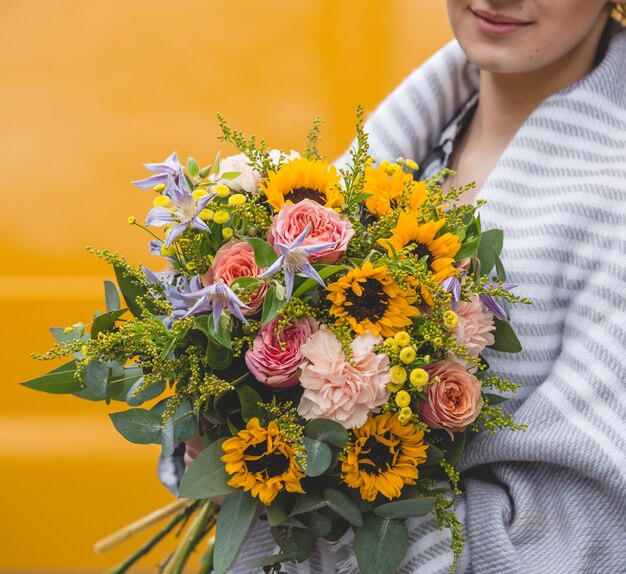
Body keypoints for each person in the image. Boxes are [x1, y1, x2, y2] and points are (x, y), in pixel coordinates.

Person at [161, 2, 626, 572]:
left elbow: (578, 533)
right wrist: (220, 431)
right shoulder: (419, 128)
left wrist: (306, 501)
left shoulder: (614, 200)